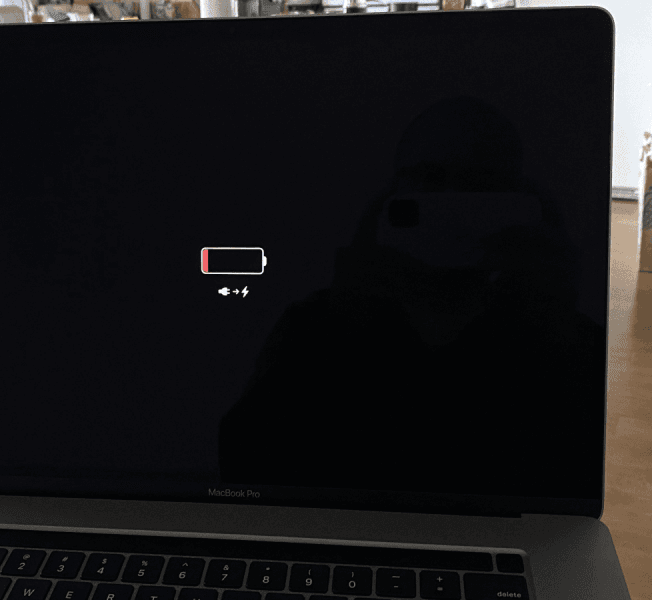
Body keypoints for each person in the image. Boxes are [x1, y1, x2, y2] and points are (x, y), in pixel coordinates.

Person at [218, 96, 605, 498]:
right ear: (392, 200)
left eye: (481, 185)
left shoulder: (561, 337)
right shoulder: (318, 325)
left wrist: (555, 323)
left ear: (518, 206)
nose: (453, 203)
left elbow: (571, 487)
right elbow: (247, 466)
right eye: (431, 179)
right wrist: (345, 320)